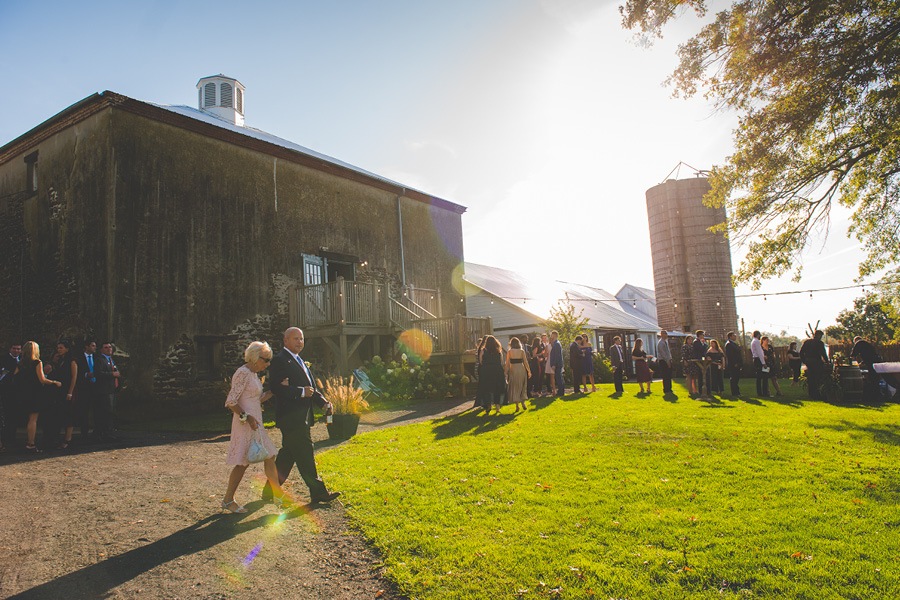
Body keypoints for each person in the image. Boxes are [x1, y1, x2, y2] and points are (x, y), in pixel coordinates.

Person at [261, 328, 341, 504]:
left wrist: (324, 403)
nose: (299, 342)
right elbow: (275, 388)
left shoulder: (300, 361)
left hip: (301, 417)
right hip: (291, 417)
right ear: (286, 340)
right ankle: (318, 492)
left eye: (302, 339)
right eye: (295, 339)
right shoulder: (280, 360)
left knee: (287, 456)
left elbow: (311, 388)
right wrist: (299, 392)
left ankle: (269, 491)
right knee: (305, 454)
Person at [222, 341, 290, 513]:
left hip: (256, 423)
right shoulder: (242, 373)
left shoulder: (253, 375)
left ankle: (277, 495)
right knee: (242, 463)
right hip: (245, 423)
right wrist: (247, 417)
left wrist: (276, 390)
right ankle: (228, 500)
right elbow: (231, 401)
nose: (267, 364)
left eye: (269, 361)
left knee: (269, 456)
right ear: (253, 357)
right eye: (265, 360)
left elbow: (255, 399)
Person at [17, 341, 62, 452]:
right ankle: (31, 443)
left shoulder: (21, 363)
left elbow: (15, 376)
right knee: (33, 419)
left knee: (29, 418)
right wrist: (54, 382)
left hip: (24, 393)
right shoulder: (37, 362)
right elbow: (42, 379)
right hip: (35, 393)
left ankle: (29, 441)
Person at [46, 341, 78, 449]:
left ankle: (68, 439)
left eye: (61, 348)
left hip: (68, 390)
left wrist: (70, 392)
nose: (59, 350)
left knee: (68, 415)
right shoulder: (60, 360)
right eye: (58, 348)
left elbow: (74, 377)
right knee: (61, 414)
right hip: (59, 391)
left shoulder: (71, 361)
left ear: (67, 349)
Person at [93, 342, 120, 441]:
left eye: (110, 347)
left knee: (110, 412)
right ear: (101, 350)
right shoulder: (100, 360)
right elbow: (98, 373)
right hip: (104, 391)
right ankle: (104, 433)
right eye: (106, 347)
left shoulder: (111, 359)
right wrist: (112, 374)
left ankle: (108, 432)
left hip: (112, 389)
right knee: (105, 412)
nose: (109, 349)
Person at [74, 340, 99, 442]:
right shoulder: (79, 359)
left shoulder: (97, 358)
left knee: (96, 410)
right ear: (87, 347)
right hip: (84, 388)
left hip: (96, 387)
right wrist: (85, 375)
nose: (94, 348)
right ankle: (84, 433)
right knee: (84, 411)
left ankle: (96, 432)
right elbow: (76, 373)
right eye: (92, 346)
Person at [0, 343, 22, 451]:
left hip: (18, 392)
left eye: (18, 349)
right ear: (10, 348)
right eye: (14, 348)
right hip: (6, 392)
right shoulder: (4, 359)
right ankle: (6, 439)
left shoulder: (22, 359)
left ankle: (12, 438)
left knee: (15, 415)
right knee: (7, 415)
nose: (16, 351)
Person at [478, 335, 507, 413]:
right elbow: (501, 361)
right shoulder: (498, 350)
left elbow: (480, 361)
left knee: (487, 388)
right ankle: (497, 406)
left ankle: (488, 405)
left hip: (486, 370)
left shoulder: (483, 350)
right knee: (497, 388)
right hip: (497, 370)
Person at [799, 330, 829, 400]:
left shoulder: (807, 342)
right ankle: (817, 393)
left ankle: (811, 393)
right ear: (819, 335)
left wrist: (804, 361)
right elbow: (823, 353)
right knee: (817, 378)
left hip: (809, 362)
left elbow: (801, 352)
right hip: (817, 362)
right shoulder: (819, 343)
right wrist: (827, 361)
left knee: (810, 378)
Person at [506, 338, 531, 412]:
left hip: (513, 369)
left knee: (515, 386)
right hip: (521, 369)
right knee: (522, 385)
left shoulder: (509, 352)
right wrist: (529, 371)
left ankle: (517, 405)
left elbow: (507, 363)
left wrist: (505, 372)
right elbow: (525, 362)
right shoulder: (521, 351)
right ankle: (523, 402)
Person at [750, 330, 769, 397]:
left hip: (756, 359)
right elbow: (759, 352)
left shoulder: (753, 341)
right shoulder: (757, 341)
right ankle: (764, 392)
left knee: (759, 377)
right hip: (759, 360)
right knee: (764, 376)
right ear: (758, 335)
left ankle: (760, 392)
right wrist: (763, 363)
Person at [724, 331, 743, 396]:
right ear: (730, 336)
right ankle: (734, 392)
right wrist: (735, 363)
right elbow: (730, 355)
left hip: (737, 363)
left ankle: (737, 392)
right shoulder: (728, 344)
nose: (735, 336)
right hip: (733, 364)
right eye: (734, 335)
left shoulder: (734, 344)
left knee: (736, 378)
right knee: (734, 378)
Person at [473, 336, 489, 410]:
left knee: (481, 384)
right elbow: (481, 361)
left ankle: (481, 401)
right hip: (481, 368)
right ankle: (483, 401)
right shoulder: (483, 349)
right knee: (483, 385)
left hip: (477, 368)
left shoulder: (478, 349)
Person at [549, 330, 564, 395]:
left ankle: (561, 392)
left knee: (559, 378)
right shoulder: (555, 343)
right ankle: (561, 391)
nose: (550, 336)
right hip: (557, 363)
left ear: (554, 335)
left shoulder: (557, 344)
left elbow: (557, 355)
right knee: (558, 377)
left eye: (551, 335)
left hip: (557, 364)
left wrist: (554, 364)